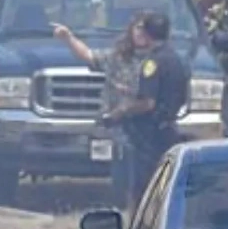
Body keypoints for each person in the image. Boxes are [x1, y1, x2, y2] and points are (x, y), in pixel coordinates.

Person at [53, 12, 152, 209]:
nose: (141, 33)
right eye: (138, 27)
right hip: (119, 124)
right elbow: (90, 56)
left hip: (148, 125)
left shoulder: (159, 59)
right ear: (131, 29)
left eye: (146, 29)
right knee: (121, 164)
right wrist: (68, 38)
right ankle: (121, 205)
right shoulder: (118, 57)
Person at [100, 12, 188, 206]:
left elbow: (148, 103)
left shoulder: (152, 62)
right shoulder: (176, 60)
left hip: (149, 137)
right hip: (169, 130)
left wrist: (119, 112)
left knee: (141, 191)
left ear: (147, 34)